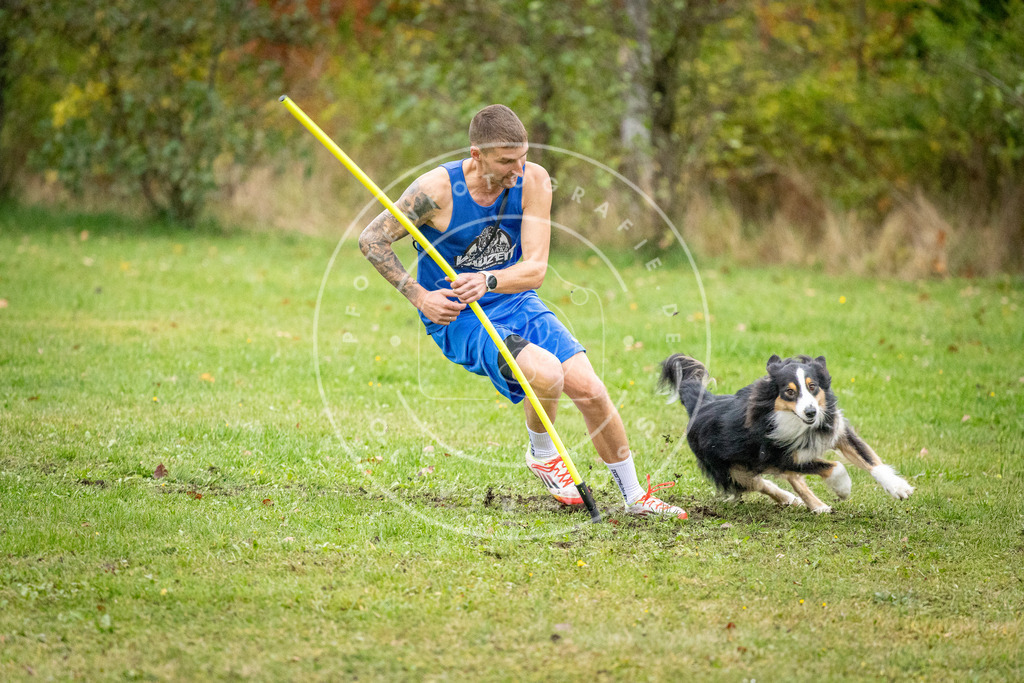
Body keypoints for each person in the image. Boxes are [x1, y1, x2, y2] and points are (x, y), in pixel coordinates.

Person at [358, 104, 686, 519]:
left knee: (591, 390)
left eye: (523, 157)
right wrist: (421, 297)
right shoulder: (436, 191)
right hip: (461, 316)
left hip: (515, 299)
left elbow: (535, 270)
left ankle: (635, 496)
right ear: (476, 155)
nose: (518, 169)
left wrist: (488, 280)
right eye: (506, 161)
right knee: (546, 373)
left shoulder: (534, 180)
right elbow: (372, 239)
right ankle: (542, 454)